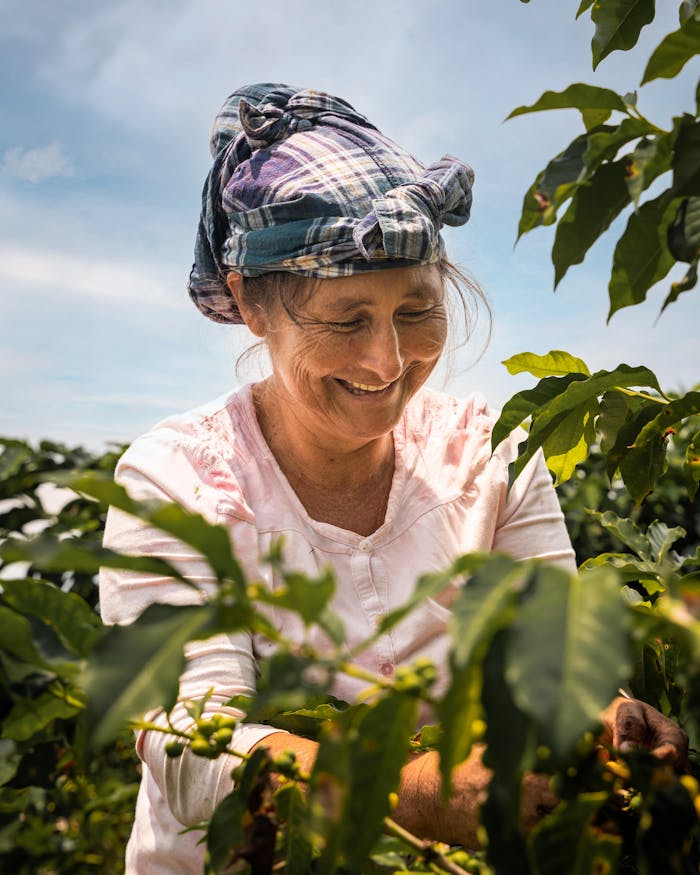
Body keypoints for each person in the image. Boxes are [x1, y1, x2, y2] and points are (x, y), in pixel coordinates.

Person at [99, 83, 687, 874]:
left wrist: (604, 718)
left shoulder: (492, 450)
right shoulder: (174, 481)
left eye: (418, 310)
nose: (389, 361)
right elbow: (191, 749)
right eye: (345, 320)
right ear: (251, 303)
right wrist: (419, 794)